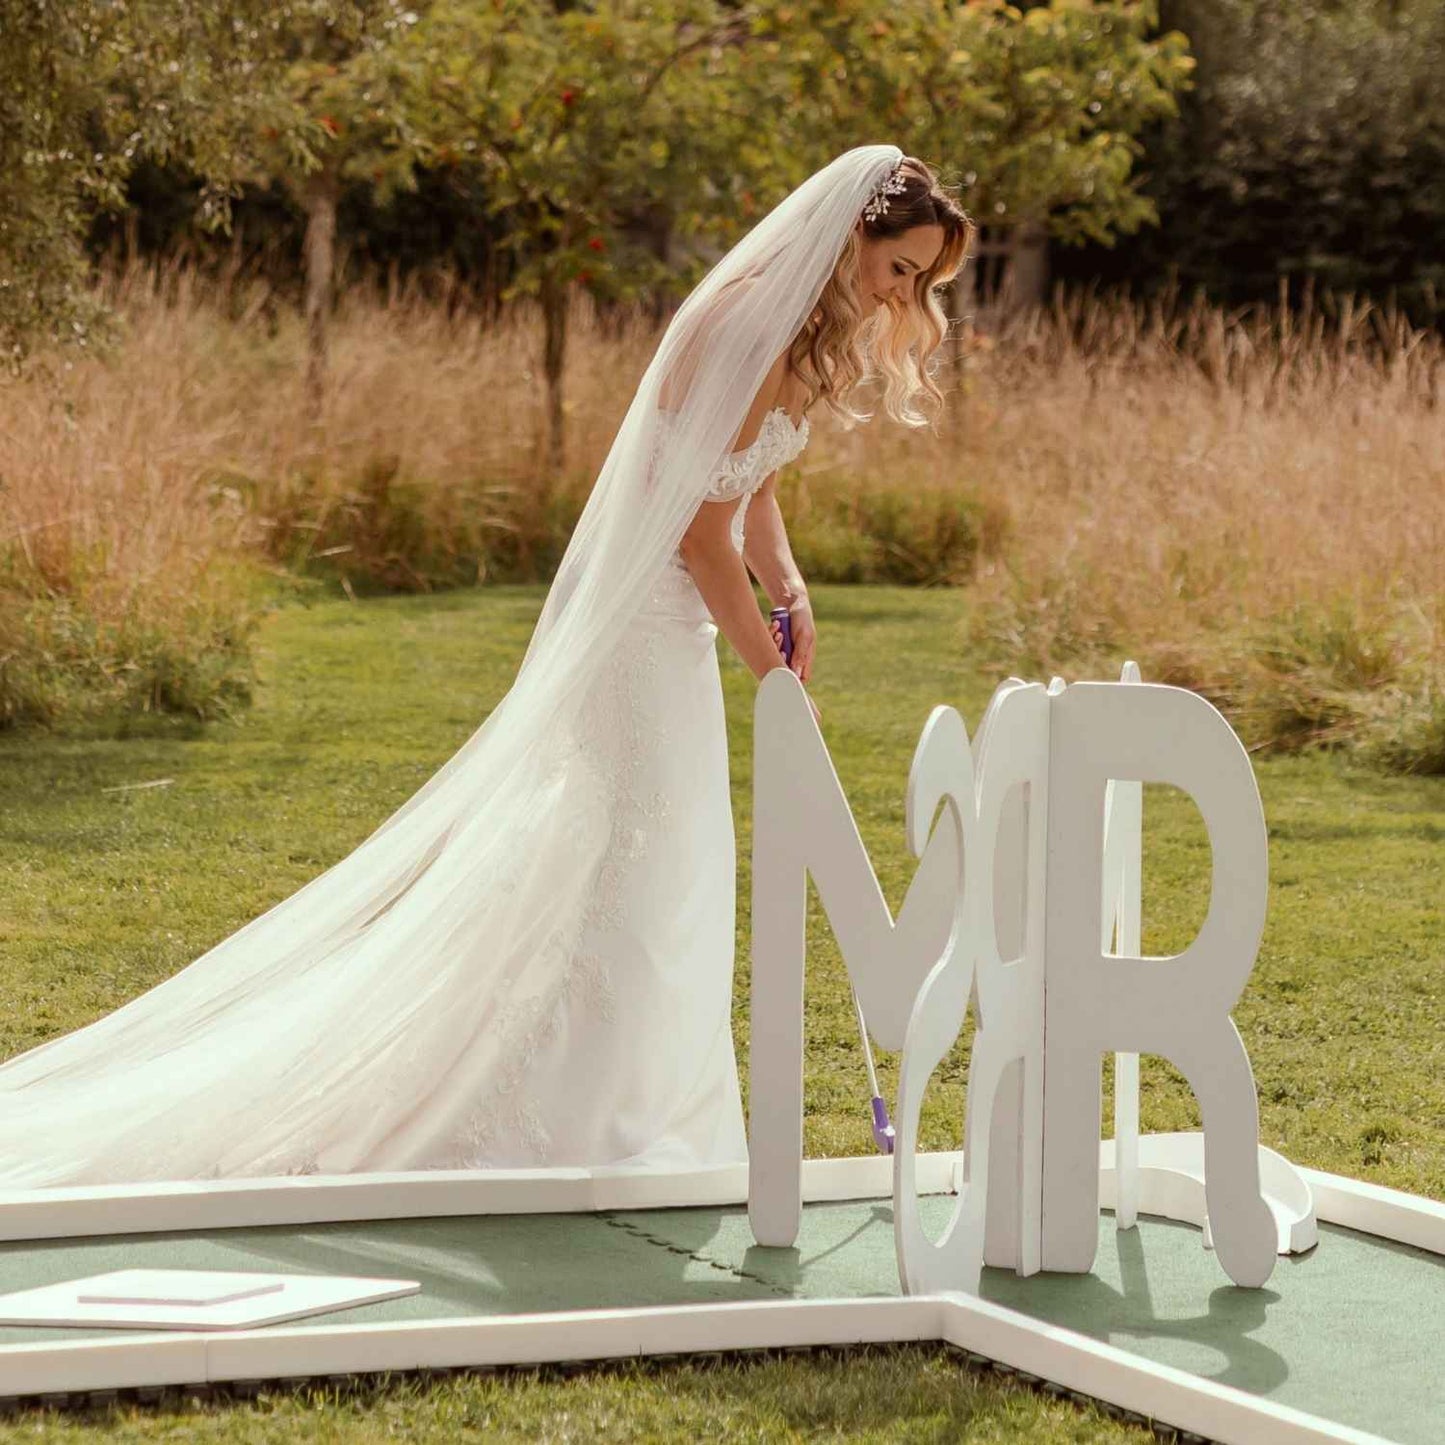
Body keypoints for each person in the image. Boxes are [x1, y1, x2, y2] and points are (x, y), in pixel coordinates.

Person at [0, 145, 973, 1187]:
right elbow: (696, 532)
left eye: (915, 280)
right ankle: (572, 1119)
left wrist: (789, 587)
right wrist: (769, 677)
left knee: (658, 867)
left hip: (676, 633)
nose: (899, 292)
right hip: (644, 634)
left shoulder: (789, 328)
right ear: (850, 235)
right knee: (630, 862)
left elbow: (750, 480)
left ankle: (614, 1105)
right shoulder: (744, 318)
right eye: (899, 267)